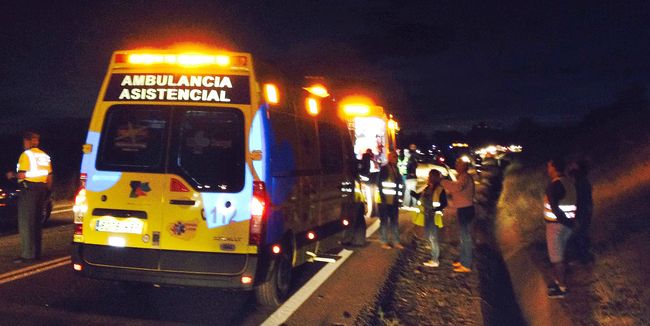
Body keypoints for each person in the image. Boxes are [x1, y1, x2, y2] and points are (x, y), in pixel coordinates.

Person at [14, 131, 52, 263]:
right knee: (36, 223)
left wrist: (12, 175)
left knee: (26, 223)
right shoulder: (45, 156)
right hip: (42, 189)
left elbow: (22, 175)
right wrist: (47, 192)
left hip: (29, 190)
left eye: (25, 141)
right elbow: (50, 176)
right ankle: (36, 253)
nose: (24, 144)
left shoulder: (26, 155)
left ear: (28, 141)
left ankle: (27, 255)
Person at [543, 157, 576, 298]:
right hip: (567, 225)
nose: (547, 169)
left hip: (556, 226)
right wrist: (569, 222)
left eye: (549, 166)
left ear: (554, 168)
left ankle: (561, 289)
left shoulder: (554, 185)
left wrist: (561, 221)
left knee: (556, 259)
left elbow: (555, 208)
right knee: (560, 255)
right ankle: (558, 283)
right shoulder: (568, 182)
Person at [441, 157, 475, 273]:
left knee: (466, 238)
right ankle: (463, 261)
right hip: (463, 209)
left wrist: (443, 182)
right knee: (463, 237)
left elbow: (457, 187)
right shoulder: (462, 177)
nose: (456, 166)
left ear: (464, 167)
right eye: (456, 164)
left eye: (458, 164)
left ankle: (467, 265)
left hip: (466, 210)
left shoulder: (465, 177)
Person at [414, 169, 447, 267]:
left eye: (430, 176)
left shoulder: (440, 189)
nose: (428, 178)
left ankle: (435, 260)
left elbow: (444, 203)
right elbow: (422, 198)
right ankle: (433, 253)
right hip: (427, 215)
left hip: (433, 216)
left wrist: (436, 209)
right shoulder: (427, 187)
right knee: (429, 236)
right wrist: (415, 195)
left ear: (434, 177)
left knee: (433, 238)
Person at [377, 152, 404, 249]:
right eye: (394, 157)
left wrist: (400, 199)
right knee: (384, 221)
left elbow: (398, 185)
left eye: (396, 157)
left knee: (394, 222)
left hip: (394, 200)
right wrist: (382, 196)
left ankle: (396, 241)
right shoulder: (385, 168)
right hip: (385, 200)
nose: (396, 158)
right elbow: (379, 183)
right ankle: (384, 241)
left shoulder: (396, 169)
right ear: (389, 158)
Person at [569, 160, 594, 264]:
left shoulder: (582, 183)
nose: (571, 170)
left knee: (580, 234)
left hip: (583, 211)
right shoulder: (581, 181)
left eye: (574, 168)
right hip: (584, 210)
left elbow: (580, 200)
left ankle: (584, 257)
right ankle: (584, 255)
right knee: (581, 233)